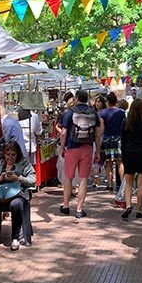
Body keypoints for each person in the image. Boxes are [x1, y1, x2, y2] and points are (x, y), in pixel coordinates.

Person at [0, 140, 36, 250]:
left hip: (18, 194)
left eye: (13, 155)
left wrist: (18, 178)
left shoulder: (23, 164)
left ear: (17, 154)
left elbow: (33, 179)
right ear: (4, 154)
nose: (10, 157)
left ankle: (15, 237)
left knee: (16, 205)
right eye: (8, 154)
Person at [59, 89, 102, 218]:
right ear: (87, 99)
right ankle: (79, 209)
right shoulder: (93, 113)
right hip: (87, 148)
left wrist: (62, 148)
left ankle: (66, 206)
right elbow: (98, 135)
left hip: (72, 148)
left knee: (68, 177)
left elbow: (63, 133)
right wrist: (98, 151)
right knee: (83, 179)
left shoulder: (69, 113)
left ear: (76, 99)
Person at [120, 99, 142, 220]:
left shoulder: (125, 122)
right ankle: (139, 209)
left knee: (128, 182)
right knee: (141, 184)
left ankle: (128, 205)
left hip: (129, 153)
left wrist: (123, 155)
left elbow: (122, 140)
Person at [99, 92, 125, 191]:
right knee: (120, 162)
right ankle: (122, 184)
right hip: (119, 138)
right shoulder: (121, 112)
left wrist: (98, 138)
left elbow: (101, 128)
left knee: (108, 163)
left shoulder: (103, 113)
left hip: (107, 138)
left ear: (107, 101)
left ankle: (109, 185)